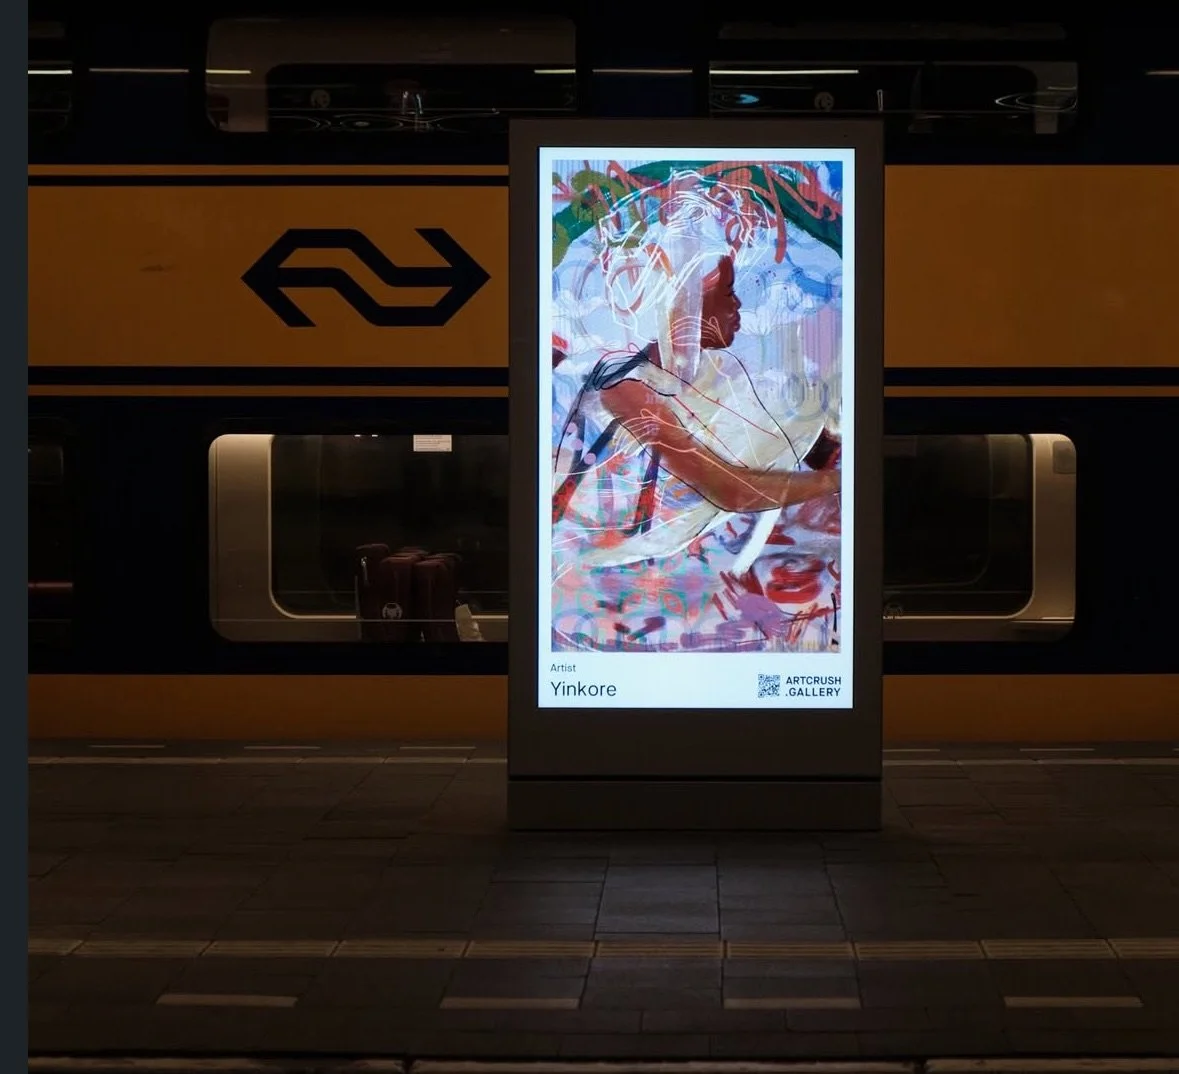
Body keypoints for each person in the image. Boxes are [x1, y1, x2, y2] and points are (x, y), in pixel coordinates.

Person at [552, 253, 839, 571]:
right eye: (728, 292)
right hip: (599, 574)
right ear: (683, 307)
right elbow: (732, 491)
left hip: (649, 567)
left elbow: (772, 439)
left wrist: (821, 437)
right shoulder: (624, 387)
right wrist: (840, 481)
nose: (737, 305)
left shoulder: (705, 375)